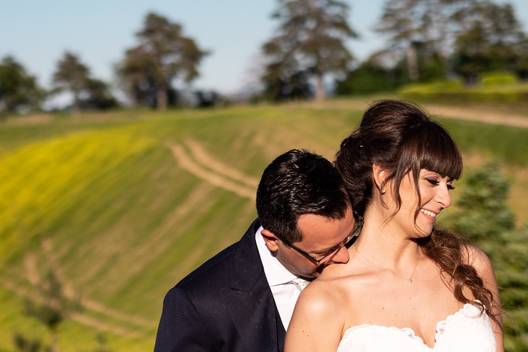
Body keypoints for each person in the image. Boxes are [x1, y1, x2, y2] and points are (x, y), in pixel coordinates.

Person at [285, 101, 504, 352]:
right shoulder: (325, 300)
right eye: (432, 181)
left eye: (449, 185)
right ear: (383, 177)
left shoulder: (470, 266)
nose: (446, 199)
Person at [155, 149, 357, 352]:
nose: (345, 256)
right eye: (324, 253)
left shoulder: (367, 256)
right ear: (272, 240)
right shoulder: (197, 305)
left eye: (349, 237)